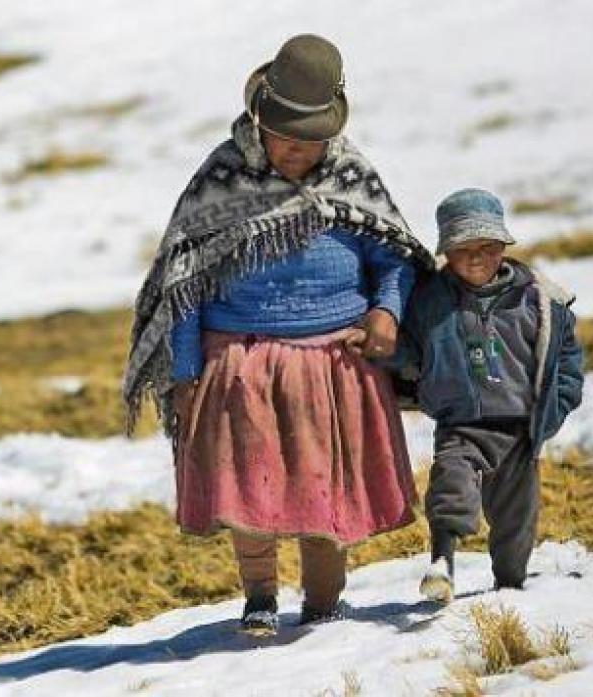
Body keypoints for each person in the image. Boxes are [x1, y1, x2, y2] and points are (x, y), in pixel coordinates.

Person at [123, 34, 433, 636]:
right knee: (250, 483)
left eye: (310, 142)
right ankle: (259, 597)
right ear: (259, 123)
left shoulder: (350, 175)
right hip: (240, 361)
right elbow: (186, 283)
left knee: (327, 488)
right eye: (286, 140)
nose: (296, 154)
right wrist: (184, 372)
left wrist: (386, 314)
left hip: (333, 361)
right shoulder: (221, 180)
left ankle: (324, 604)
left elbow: (395, 258)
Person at [395, 188, 584, 601]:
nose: (477, 257)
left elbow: (566, 355)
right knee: (451, 485)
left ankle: (510, 582)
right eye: (464, 249)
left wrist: (560, 401)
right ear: (446, 251)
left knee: (517, 517)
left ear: (503, 245)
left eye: (488, 246)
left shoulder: (538, 299)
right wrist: (406, 372)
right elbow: (405, 348)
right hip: (461, 422)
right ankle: (441, 562)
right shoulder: (429, 300)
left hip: (520, 427)